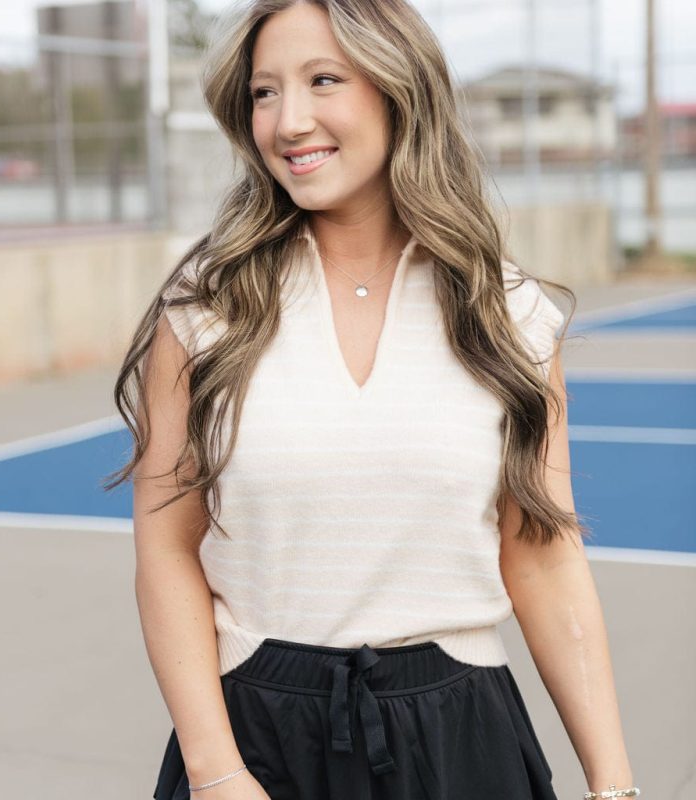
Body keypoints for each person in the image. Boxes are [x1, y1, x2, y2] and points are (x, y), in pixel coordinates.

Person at [107, 1, 640, 798]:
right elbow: (166, 550)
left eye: (324, 80)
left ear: (400, 90)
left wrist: (615, 783)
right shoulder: (204, 309)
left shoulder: (511, 315)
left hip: (461, 740)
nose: (289, 121)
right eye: (264, 92)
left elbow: (542, 554)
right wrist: (216, 771)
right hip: (253, 736)